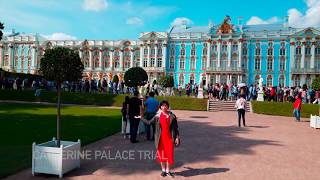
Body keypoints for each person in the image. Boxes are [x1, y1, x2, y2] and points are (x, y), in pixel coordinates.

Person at [140, 101, 180, 177]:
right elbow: (148, 122)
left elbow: (176, 128)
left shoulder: (172, 116)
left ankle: (168, 171)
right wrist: (141, 118)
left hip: (170, 139)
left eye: (165, 106)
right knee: (162, 156)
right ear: (160, 107)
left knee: (169, 155)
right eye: (162, 106)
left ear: (168, 106)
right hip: (160, 139)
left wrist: (177, 137)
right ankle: (163, 170)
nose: (164, 107)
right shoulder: (157, 116)